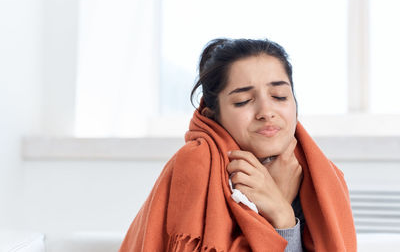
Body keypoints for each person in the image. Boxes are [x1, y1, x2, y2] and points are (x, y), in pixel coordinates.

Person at [119, 38, 357, 252]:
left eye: (279, 96)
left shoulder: (322, 179)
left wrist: (280, 209)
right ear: (213, 115)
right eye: (243, 101)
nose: (266, 112)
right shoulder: (195, 164)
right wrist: (280, 215)